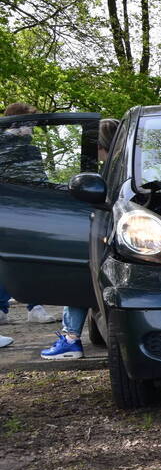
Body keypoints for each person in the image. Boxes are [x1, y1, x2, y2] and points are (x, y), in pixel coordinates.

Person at [40, 118, 121, 360]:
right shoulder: (124, 170)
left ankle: (71, 339)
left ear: (102, 146)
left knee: (76, 280)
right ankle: (71, 337)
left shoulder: (108, 173)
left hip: (108, 240)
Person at [0, 102, 57, 325]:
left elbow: (38, 177)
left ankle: (36, 307)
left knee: (32, 259)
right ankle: (1, 310)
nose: (33, 127)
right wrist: (12, 135)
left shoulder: (32, 148)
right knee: (4, 259)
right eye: (29, 122)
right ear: (16, 122)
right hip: (7, 209)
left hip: (33, 210)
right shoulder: (2, 141)